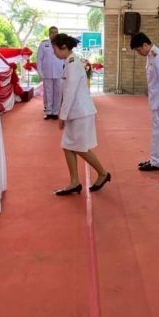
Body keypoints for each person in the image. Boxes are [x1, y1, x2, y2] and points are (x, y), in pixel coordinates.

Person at [51, 33, 110, 195]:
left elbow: (69, 92)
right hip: (76, 112)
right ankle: (75, 182)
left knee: (79, 148)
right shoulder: (70, 62)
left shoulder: (73, 64)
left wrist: (62, 116)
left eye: (55, 49)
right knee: (68, 146)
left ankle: (103, 173)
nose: (54, 53)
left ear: (63, 47)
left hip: (80, 112)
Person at [130, 32, 159, 172]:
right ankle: (154, 159)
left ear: (145, 45)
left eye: (138, 50)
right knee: (157, 132)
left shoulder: (158, 57)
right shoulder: (151, 55)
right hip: (158, 101)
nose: (138, 53)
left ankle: (156, 162)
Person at [36, 26, 64, 120]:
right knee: (48, 93)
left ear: (58, 33)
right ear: (49, 34)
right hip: (47, 73)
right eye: (52, 32)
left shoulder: (62, 45)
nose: (54, 34)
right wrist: (40, 72)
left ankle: (56, 112)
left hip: (59, 72)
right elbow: (39, 59)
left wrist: (66, 72)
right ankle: (49, 112)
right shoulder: (43, 44)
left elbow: (65, 59)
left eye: (55, 32)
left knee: (58, 93)